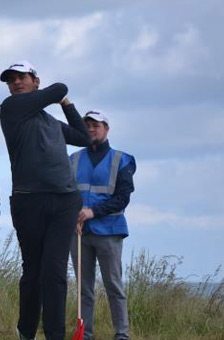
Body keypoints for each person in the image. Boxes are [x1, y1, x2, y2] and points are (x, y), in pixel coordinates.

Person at [0, 61, 90, 340]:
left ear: (35, 81)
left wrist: (66, 105)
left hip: (64, 201)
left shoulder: (51, 123)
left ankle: (54, 335)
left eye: (21, 77)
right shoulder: (11, 109)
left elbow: (84, 137)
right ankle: (26, 331)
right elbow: (60, 87)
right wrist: (59, 96)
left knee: (55, 272)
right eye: (11, 80)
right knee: (33, 271)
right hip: (28, 201)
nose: (15, 82)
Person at [70, 111, 136, 340]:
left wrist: (92, 211)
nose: (91, 129)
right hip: (79, 232)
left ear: (106, 129)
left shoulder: (122, 159)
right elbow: (66, 193)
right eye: (87, 125)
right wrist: (73, 217)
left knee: (113, 285)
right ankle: (85, 333)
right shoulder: (74, 159)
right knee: (83, 289)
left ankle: (121, 333)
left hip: (109, 230)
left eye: (96, 125)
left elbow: (123, 197)